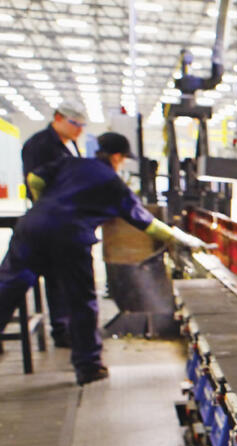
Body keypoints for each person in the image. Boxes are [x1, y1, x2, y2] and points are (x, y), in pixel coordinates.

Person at [0, 132, 212, 385]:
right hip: (70, 237)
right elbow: (144, 222)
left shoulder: (71, 162)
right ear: (116, 157)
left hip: (31, 227)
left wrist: (45, 204)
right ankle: (88, 367)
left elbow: (34, 177)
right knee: (81, 302)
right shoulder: (111, 182)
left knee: (9, 286)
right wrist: (179, 238)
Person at [21, 100, 88, 348]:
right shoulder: (40, 145)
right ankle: (61, 330)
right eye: (75, 124)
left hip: (63, 219)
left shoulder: (64, 146)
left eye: (82, 126)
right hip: (50, 221)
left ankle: (66, 327)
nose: (79, 130)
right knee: (56, 276)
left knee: (63, 277)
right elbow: (36, 183)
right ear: (58, 118)